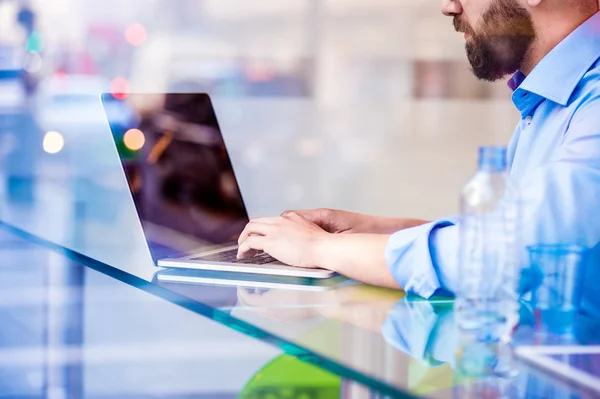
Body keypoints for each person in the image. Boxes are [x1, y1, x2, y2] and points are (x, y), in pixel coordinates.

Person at [237, 0, 600, 298]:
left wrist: (320, 250)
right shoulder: (552, 104)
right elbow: (509, 234)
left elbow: (515, 253)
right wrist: (374, 233)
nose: (449, 6)